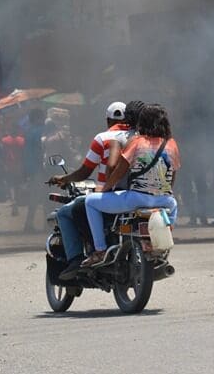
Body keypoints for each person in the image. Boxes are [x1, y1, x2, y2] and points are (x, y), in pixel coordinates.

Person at [49, 101, 143, 279]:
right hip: (140, 193)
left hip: (108, 194)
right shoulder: (142, 137)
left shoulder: (103, 138)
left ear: (108, 120)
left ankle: (79, 258)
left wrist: (64, 178)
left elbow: (86, 171)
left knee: (65, 213)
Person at [83, 104, 180, 267]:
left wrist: (105, 189)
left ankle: (100, 250)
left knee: (90, 202)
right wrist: (163, 194)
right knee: (173, 207)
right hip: (165, 200)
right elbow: (173, 176)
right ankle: (160, 247)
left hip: (136, 198)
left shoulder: (136, 142)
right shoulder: (171, 144)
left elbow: (120, 171)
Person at [22, 108, 48, 233]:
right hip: (40, 169)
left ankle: (29, 223)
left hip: (31, 169)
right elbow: (41, 151)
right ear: (39, 118)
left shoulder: (28, 132)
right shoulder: (41, 131)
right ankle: (46, 224)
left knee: (34, 198)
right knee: (45, 197)